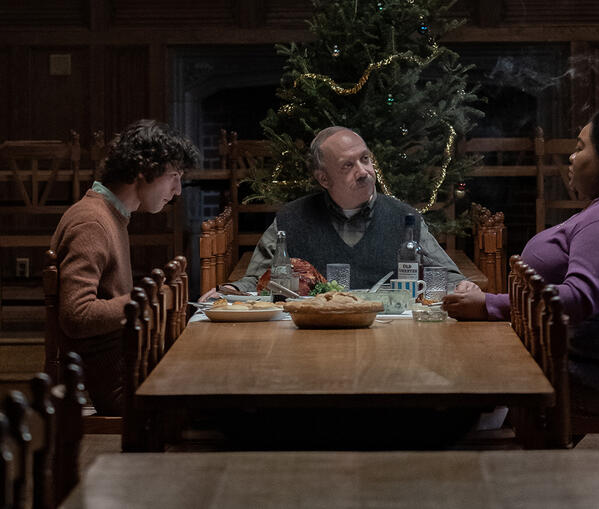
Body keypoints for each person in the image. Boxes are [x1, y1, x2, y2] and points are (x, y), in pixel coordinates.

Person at [442, 106, 599, 413]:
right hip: (567, 353)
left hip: (586, 369)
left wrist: (489, 304)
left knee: (445, 371)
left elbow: (577, 299)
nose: (572, 157)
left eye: (581, 147)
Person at [51, 119, 199, 416]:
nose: (178, 190)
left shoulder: (110, 216)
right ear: (144, 171)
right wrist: (148, 300)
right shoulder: (92, 222)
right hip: (116, 388)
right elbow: (76, 315)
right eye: (173, 176)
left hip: (127, 369)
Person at [207, 126, 464, 297]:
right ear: (324, 179)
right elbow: (257, 281)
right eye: (347, 166)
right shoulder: (291, 219)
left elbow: (449, 276)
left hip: (390, 337)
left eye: (365, 159)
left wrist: (464, 288)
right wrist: (230, 289)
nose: (363, 171)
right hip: (311, 341)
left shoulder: (404, 217)